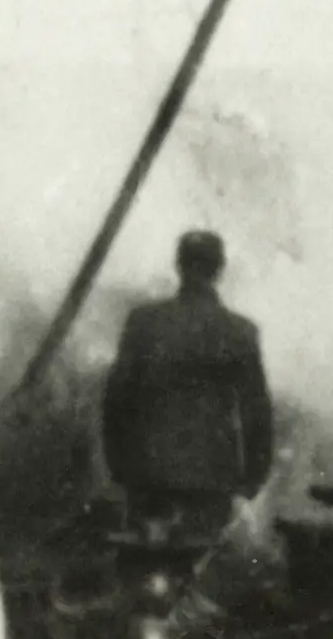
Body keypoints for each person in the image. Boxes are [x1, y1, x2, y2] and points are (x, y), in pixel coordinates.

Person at [100, 230, 275, 543]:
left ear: (178, 265)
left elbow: (116, 401)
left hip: (148, 477)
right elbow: (256, 413)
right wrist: (251, 482)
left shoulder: (144, 322)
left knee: (144, 568)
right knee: (197, 569)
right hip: (211, 481)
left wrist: (120, 469)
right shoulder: (239, 332)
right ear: (219, 269)